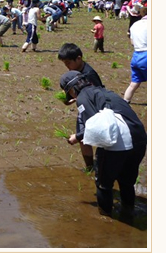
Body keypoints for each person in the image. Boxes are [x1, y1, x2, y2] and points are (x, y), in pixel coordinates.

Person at [59, 71, 147, 217]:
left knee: (103, 183)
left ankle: (105, 217)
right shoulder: (107, 92)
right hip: (139, 137)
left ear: (71, 90)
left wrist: (77, 136)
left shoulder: (82, 97)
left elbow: (95, 125)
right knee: (126, 181)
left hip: (118, 140)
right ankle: (128, 214)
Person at [57, 43, 104, 170]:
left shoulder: (89, 74)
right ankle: (89, 167)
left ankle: (100, 166)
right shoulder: (75, 72)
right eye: (65, 64)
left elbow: (97, 95)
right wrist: (69, 99)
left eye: (68, 63)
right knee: (83, 138)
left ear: (79, 58)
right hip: (83, 107)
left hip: (95, 110)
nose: (67, 67)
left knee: (92, 136)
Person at [124, 11, 147, 103]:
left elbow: (132, 42)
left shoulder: (134, 25)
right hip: (147, 55)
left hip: (136, 55)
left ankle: (125, 101)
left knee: (134, 83)